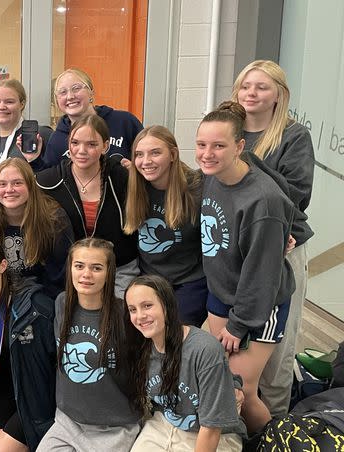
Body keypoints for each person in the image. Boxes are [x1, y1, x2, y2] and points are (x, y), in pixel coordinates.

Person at [196, 101, 295, 433]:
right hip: (221, 292)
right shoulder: (210, 177)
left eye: (219, 145)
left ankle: (270, 441)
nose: (208, 153)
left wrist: (239, 326)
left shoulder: (262, 202)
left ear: (240, 147)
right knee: (220, 379)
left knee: (241, 388)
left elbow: (262, 277)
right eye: (201, 145)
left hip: (257, 304)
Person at [232, 59, 315, 417]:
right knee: (241, 345)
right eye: (246, 86)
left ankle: (277, 426)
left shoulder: (294, 136)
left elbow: (295, 192)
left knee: (278, 349)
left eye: (261, 87)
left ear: (279, 95)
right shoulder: (229, 130)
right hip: (237, 250)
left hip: (283, 247)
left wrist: (273, 230)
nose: (251, 93)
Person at [38, 238, 141, 451]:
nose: (86, 274)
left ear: (109, 272)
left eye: (96, 268)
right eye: (79, 266)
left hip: (113, 427)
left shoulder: (125, 315)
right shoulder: (61, 303)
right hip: (67, 422)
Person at [125, 275, 245, 452]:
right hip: (164, 422)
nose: (140, 316)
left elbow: (211, 429)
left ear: (167, 306)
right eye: (132, 309)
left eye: (147, 306)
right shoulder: (141, 344)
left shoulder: (204, 349)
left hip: (214, 434)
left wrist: (233, 383)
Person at [0, 239, 56, 452]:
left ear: (3, 265)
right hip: (6, 392)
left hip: (35, 395)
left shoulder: (35, 307)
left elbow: (56, 362)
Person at [36, 115, 139, 296]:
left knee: (115, 320)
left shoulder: (121, 178)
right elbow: (11, 192)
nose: (81, 150)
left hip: (117, 271)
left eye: (91, 144)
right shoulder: (48, 182)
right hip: (68, 274)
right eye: (75, 143)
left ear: (105, 146)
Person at [123, 126, 207, 327]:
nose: (146, 161)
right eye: (139, 155)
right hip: (149, 280)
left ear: (172, 155)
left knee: (176, 336)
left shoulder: (198, 188)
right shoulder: (134, 187)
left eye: (155, 153)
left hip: (189, 280)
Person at [0, 158, 73, 298]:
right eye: (2, 184)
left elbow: (59, 276)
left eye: (17, 183)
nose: (9, 190)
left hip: (38, 299)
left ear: (30, 186)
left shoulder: (53, 219)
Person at [38, 68, 143, 167]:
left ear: (91, 93)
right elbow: (50, 181)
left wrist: (135, 170)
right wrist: (34, 160)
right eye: (63, 92)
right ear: (57, 100)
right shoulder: (57, 140)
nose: (70, 96)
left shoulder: (124, 122)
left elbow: (149, 158)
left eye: (76, 88)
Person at [0, 79, 52, 187]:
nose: (1, 107)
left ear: (22, 104)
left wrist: (35, 161)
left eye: (9, 102)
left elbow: (52, 179)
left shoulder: (40, 135)